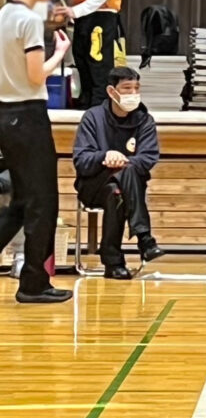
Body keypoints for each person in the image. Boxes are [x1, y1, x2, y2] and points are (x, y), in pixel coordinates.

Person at [0, 0, 73, 303]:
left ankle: (32, 278)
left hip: (4, 116)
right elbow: (34, 76)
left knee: (21, 202)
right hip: (28, 115)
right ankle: (33, 283)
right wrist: (59, 54)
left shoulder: (3, 15)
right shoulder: (28, 20)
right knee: (43, 202)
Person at [72, 67, 164, 278]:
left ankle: (113, 263)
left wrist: (122, 161)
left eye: (137, 88)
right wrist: (104, 156)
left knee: (118, 190)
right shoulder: (92, 117)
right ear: (112, 91)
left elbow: (148, 158)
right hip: (93, 186)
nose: (133, 93)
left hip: (125, 189)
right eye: (127, 88)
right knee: (124, 176)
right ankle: (145, 239)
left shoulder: (145, 120)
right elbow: (82, 161)